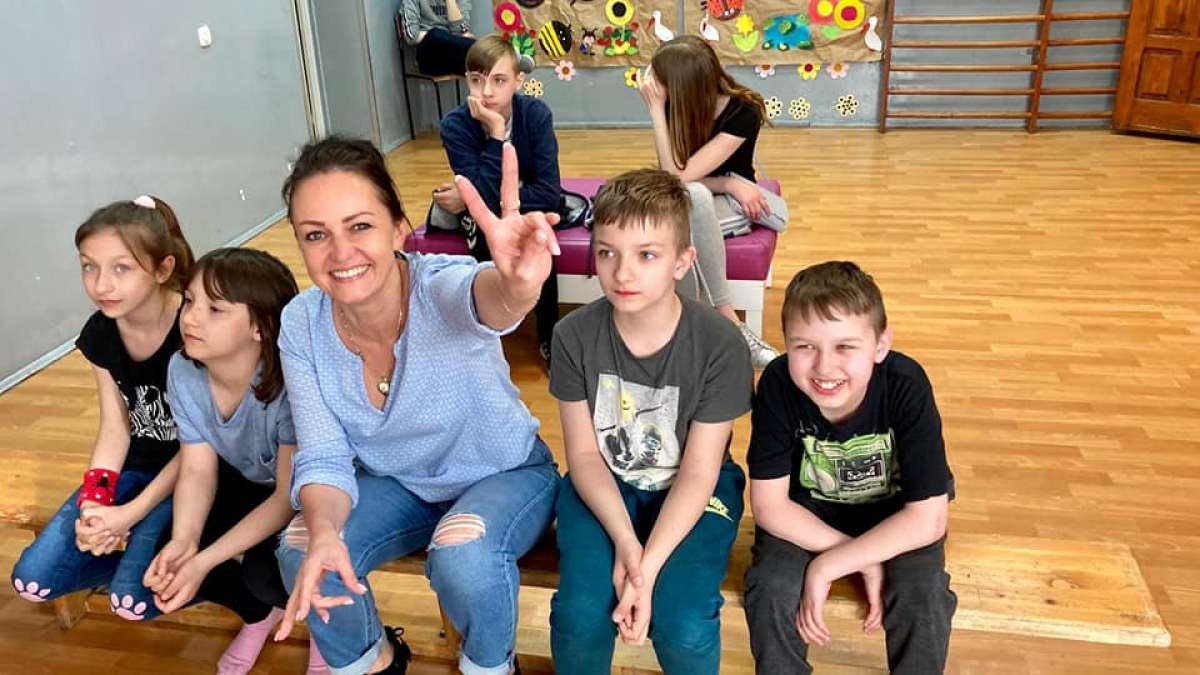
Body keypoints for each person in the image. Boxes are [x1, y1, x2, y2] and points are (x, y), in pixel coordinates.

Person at [272, 136, 559, 675]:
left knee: (464, 558)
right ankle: (377, 662)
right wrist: (327, 533)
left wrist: (518, 286)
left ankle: (491, 667)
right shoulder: (302, 322)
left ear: (399, 228)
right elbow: (324, 457)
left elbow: (489, 301)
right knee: (304, 547)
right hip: (399, 484)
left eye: (360, 226)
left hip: (503, 472)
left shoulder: (439, 286)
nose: (340, 253)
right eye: (316, 235)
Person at [548, 169, 753, 674]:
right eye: (607, 252)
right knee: (579, 614)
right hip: (605, 484)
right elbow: (584, 456)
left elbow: (700, 471)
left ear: (683, 261)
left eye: (647, 255)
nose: (623, 273)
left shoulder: (721, 344)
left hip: (695, 488)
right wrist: (625, 541)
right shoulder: (572, 336)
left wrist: (645, 568)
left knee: (684, 623)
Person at [742, 261, 957, 674]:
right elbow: (770, 507)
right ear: (785, 343)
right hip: (806, 517)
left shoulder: (906, 384)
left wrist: (832, 564)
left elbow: (927, 519)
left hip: (897, 516)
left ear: (880, 345)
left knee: (922, 593)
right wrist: (859, 557)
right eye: (804, 347)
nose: (824, 367)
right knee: (770, 589)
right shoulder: (778, 385)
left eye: (845, 347)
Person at [142, 248, 328, 674]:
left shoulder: (291, 382)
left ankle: (327, 632)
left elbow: (286, 497)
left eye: (215, 309)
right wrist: (186, 543)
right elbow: (196, 469)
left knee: (268, 572)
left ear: (260, 326)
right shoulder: (183, 369)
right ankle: (260, 618)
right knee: (170, 552)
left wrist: (204, 559)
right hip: (249, 484)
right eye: (190, 301)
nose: (191, 318)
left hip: (308, 494)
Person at [11, 195, 193, 622]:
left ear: (163, 269)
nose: (101, 285)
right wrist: (96, 503)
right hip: (137, 466)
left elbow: (202, 449)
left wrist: (128, 515)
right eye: (88, 267)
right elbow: (115, 427)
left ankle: (209, 575)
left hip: (193, 474)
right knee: (32, 581)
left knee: (133, 602)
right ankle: (132, 563)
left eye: (121, 268)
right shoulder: (100, 332)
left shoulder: (194, 328)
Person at [638, 35, 782, 368]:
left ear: (683, 84)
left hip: (733, 204)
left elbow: (675, 177)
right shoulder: (676, 105)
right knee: (692, 200)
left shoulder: (743, 111)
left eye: (659, 78)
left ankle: (702, 328)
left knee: (683, 218)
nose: (652, 85)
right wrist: (726, 181)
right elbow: (674, 178)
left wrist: (656, 109)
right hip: (701, 194)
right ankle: (724, 326)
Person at [431, 34, 560, 362]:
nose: (486, 92)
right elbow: (482, 198)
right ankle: (486, 333)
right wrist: (496, 134)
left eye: (499, 80)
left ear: (518, 81)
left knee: (537, 238)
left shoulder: (536, 115)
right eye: (477, 80)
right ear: (467, 80)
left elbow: (549, 192)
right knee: (490, 237)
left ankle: (549, 335)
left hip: (526, 207)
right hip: (485, 216)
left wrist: (473, 196)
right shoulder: (455, 125)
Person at [399, 0, 533, 76]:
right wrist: (440, 35)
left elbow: (460, 31)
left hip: (455, 55)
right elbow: (411, 35)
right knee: (436, 34)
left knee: (483, 65)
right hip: (429, 58)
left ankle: (503, 61)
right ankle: (505, 54)